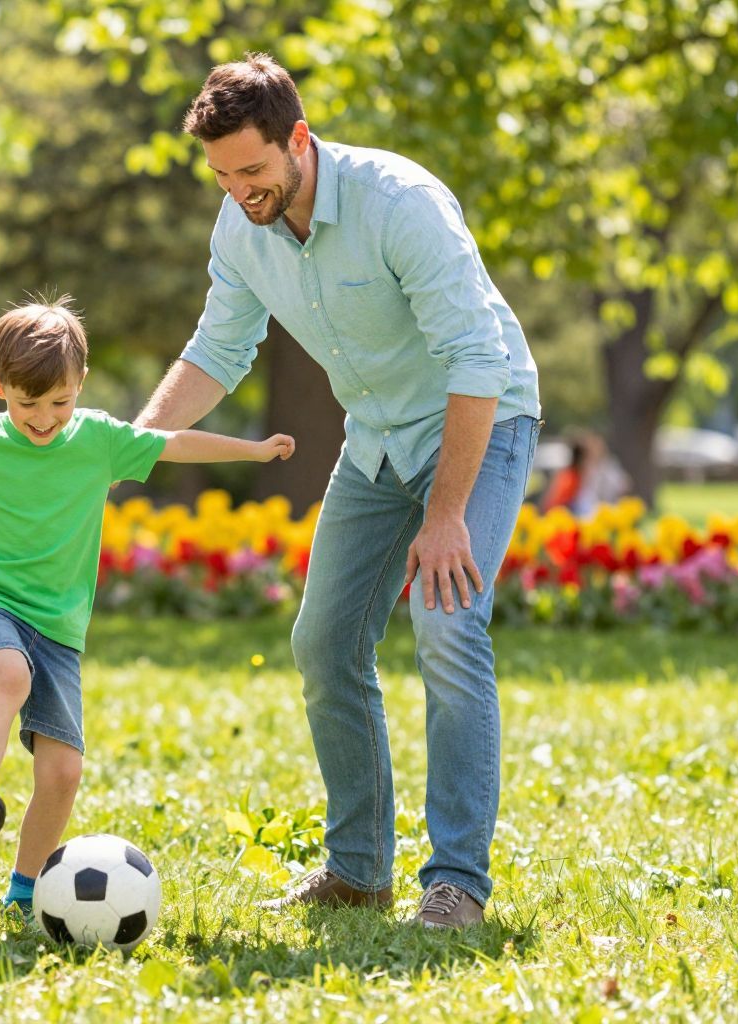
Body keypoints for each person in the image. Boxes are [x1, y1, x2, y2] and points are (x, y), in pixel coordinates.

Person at [135, 54, 542, 928]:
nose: (239, 190)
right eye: (220, 174)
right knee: (323, 644)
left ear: (299, 140)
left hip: (480, 421)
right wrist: (135, 443)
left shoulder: (401, 204)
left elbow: (480, 360)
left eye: (252, 169)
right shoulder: (240, 226)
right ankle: (359, 870)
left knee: (447, 622)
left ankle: (458, 883)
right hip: (378, 441)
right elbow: (217, 351)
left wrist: (444, 519)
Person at [0, 297, 295, 913]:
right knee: (7, 672)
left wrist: (255, 450)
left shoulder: (100, 438)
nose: (44, 418)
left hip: (59, 622)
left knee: (62, 774)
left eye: (59, 401)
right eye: (27, 403)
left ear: (81, 383)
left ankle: (23, 893)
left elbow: (175, 444)